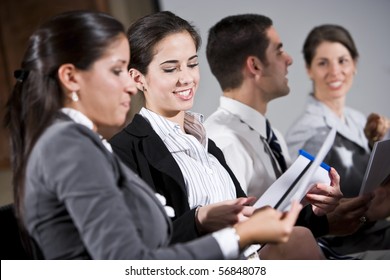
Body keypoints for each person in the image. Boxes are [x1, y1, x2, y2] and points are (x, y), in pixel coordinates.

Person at [3, 10, 303, 260]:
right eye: (117, 71)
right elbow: (130, 264)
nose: (130, 87)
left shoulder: (74, 143)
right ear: (71, 77)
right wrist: (238, 236)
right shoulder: (69, 146)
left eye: (192, 64)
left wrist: (206, 220)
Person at [109, 11, 335, 259]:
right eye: (171, 68)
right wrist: (198, 220)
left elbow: (250, 222)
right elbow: (137, 249)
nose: (187, 78)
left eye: (192, 64)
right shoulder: (124, 151)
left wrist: (314, 211)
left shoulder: (205, 142)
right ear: (137, 78)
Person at [203, 14, 342, 237]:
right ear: (255, 65)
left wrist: (314, 207)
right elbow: (234, 238)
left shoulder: (270, 134)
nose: (289, 59)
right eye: (279, 51)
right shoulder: (223, 142)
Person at [285, 24, 390, 257]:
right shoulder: (306, 134)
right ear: (309, 69)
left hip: (375, 232)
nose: (335, 71)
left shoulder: (358, 119)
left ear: (354, 64)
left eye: (342, 61)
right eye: (323, 63)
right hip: (340, 247)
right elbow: (298, 214)